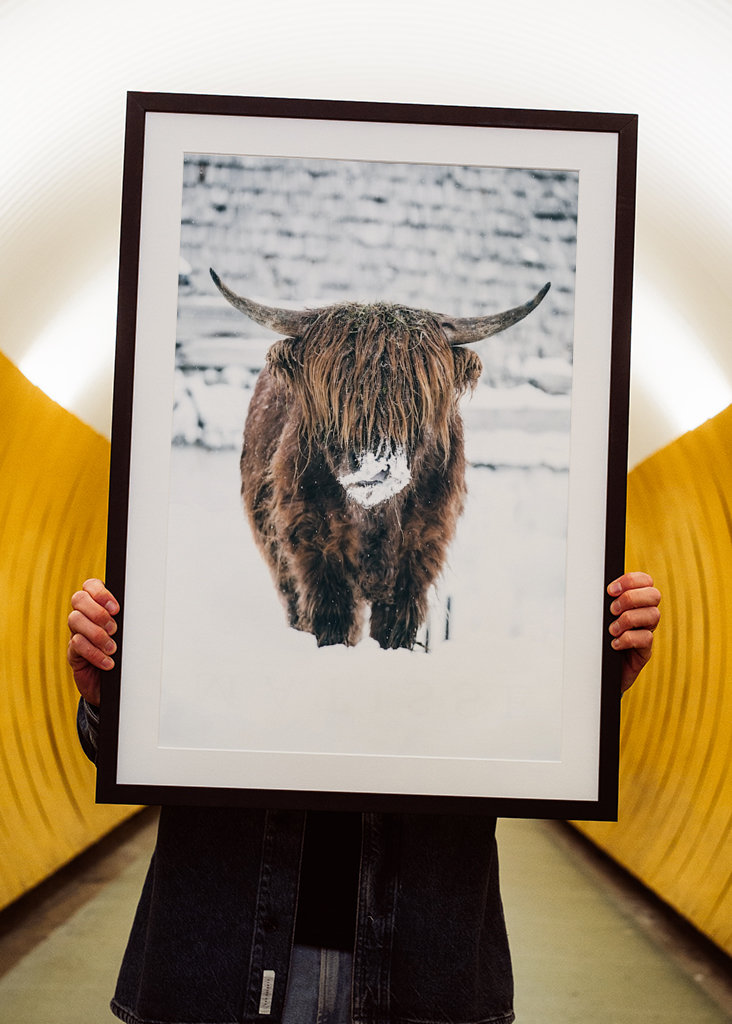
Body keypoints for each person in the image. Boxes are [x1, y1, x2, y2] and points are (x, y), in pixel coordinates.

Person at [68, 572, 661, 1024]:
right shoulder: (227, 573)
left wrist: (587, 693)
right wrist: (112, 700)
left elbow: (512, 722)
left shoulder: (461, 576)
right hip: (222, 956)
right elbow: (139, 742)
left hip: (422, 964)